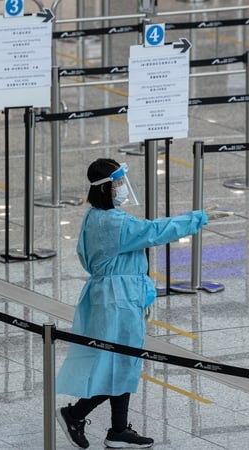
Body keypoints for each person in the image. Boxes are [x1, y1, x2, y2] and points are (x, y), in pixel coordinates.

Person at [56, 158, 208, 449]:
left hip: (109, 294)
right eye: (117, 183)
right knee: (121, 361)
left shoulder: (93, 217)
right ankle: (75, 414)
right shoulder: (116, 222)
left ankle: (118, 430)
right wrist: (197, 218)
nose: (122, 188)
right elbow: (155, 231)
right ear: (105, 189)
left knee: (118, 360)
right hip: (119, 299)